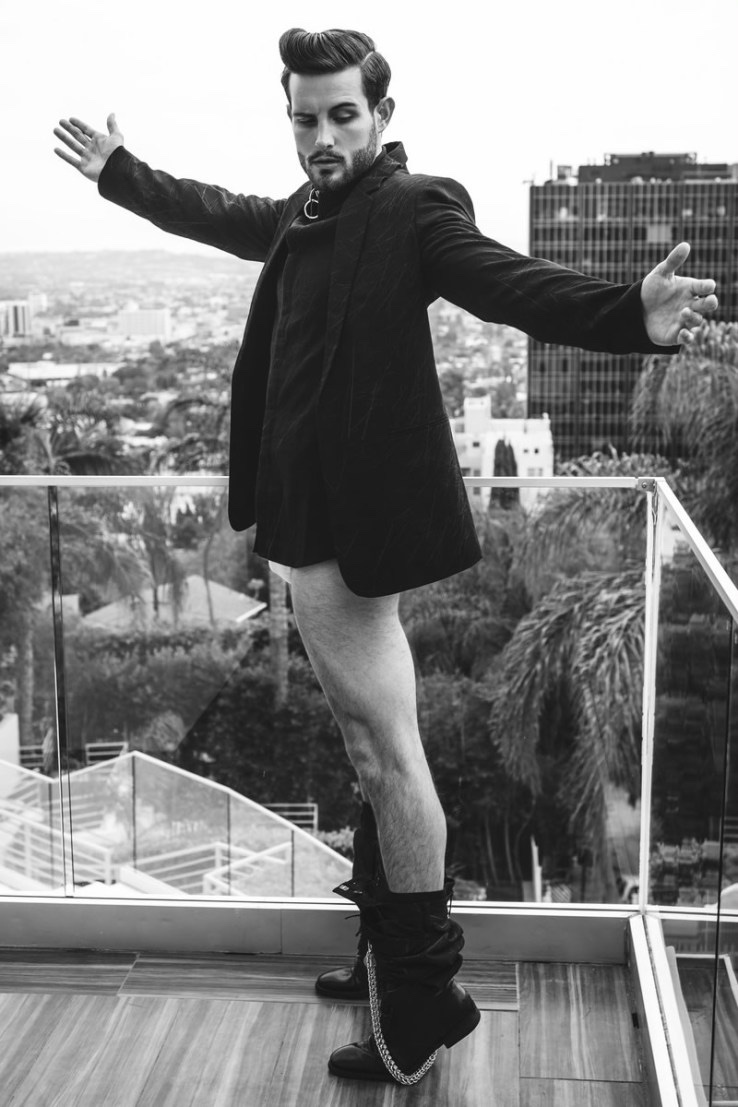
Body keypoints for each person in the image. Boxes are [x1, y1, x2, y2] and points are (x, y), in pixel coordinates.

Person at [53, 27, 718, 1086]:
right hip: (313, 518)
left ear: (381, 116)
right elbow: (218, 211)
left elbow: (507, 283)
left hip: (348, 530)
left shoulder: (412, 208)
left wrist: (628, 315)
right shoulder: (305, 214)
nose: (321, 136)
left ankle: (419, 1004)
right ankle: (384, 958)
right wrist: (122, 173)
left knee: (385, 754)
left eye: (342, 115)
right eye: (305, 118)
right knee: (372, 744)